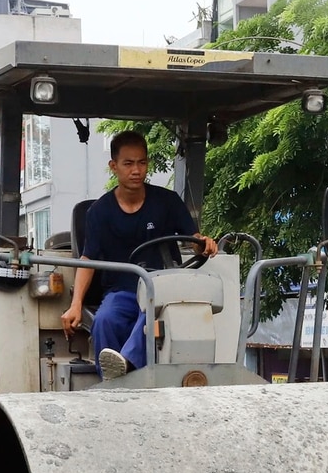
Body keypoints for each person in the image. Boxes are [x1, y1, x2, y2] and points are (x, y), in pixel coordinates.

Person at [59, 131, 217, 378]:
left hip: (164, 289)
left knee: (158, 312)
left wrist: (204, 243)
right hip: (122, 292)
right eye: (128, 163)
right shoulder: (99, 212)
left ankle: (127, 366)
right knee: (105, 320)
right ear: (114, 166)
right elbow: (88, 260)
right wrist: (76, 304)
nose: (136, 170)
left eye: (142, 163)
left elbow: (194, 240)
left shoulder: (168, 202)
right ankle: (110, 384)